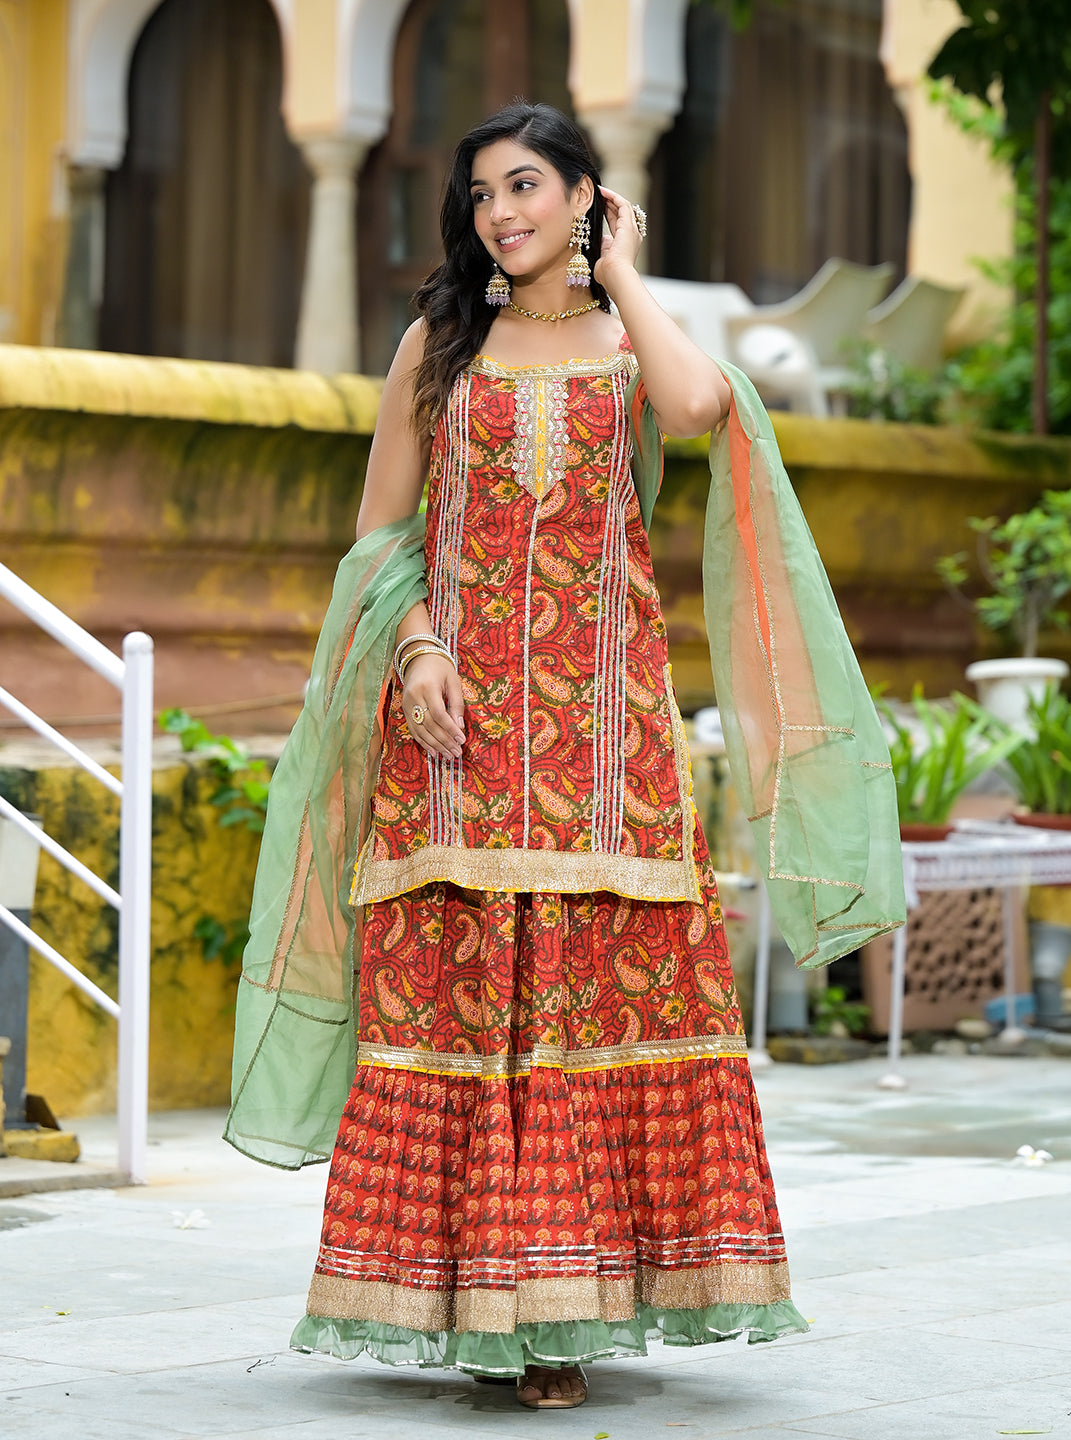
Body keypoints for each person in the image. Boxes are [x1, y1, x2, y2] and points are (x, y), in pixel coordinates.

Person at [225, 102, 904, 1412]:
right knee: (475, 1016)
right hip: (460, 738)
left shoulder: (624, 341)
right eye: (482, 194)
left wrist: (627, 268)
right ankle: (473, 1301)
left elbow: (707, 405)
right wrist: (418, 649)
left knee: (589, 1019)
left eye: (527, 186)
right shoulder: (439, 347)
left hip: (609, 746)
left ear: (585, 194)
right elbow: (380, 539)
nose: (501, 214)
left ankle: (567, 1317)